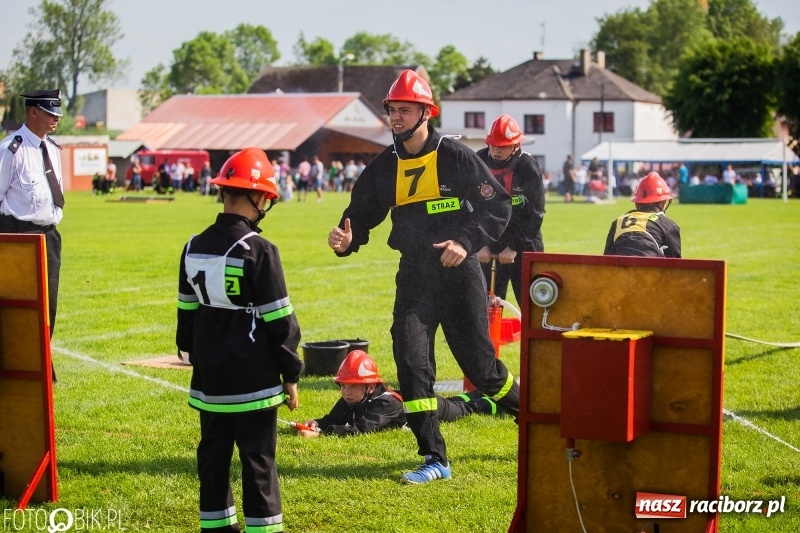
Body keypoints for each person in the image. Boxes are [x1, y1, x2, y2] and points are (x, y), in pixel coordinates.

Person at [327, 69, 520, 485]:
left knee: (484, 372)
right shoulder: (384, 166)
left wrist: (466, 242)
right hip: (413, 277)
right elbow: (360, 216)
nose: (395, 117)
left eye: (404, 110)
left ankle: (536, 419)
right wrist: (347, 238)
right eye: (392, 110)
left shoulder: (455, 156)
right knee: (412, 366)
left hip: (459, 275)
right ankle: (434, 457)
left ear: (426, 113)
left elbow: (498, 206)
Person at [176, 147, 303, 532]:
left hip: (210, 378)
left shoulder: (192, 245)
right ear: (259, 197)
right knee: (258, 460)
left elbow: (186, 311)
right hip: (254, 379)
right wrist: (291, 373)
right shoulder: (261, 250)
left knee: (212, 457)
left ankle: (215, 527)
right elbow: (280, 320)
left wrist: (192, 351)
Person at [0, 90, 66, 362]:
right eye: (51, 114)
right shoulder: (10, 149)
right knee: (19, 307)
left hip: (49, 236)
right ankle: (20, 362)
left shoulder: (52, 148)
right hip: (19, 235)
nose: (56, 120)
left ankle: (40, 361)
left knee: (48, 305)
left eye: (58, 115)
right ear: (33, 112)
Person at [296, 350, 497, 437]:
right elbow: (332, 418)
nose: (346, 392)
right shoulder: (349, 399)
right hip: (412, 398)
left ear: (370, 387)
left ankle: (496, 400)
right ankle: (480, 394)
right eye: (343, 386)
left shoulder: (385, 404)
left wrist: (322, 434)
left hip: (428, 406)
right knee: (458, 400)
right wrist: (316, 423)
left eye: (353, 386)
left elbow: (362, 429)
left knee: (466, 408)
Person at [475, 114, 546, 303]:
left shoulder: (528, 167)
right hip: (488, 243)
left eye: (503, 146)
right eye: (493, 145)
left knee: (533, 305)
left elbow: (535, 213)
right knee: (485, 305)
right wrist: (480, 243)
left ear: (516, 146)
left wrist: (514, 247)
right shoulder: (478, 161)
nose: (497, 150)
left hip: (524, 243)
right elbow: (470, 206)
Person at [603, 171, 681, 258]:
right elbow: (676, 265)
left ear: (637, 203)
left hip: (619, 271)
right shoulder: (668, 226)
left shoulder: (617, 222)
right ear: (663, 203)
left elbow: (607, 259)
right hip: (650, 270)